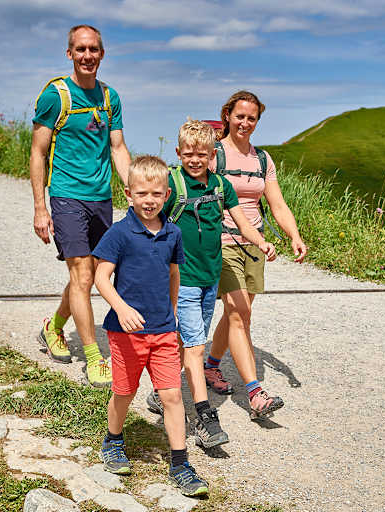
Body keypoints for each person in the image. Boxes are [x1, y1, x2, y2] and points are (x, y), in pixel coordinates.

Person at [146, 119, 276, 448]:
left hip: (209, 277)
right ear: (178, 153)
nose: (195, 160)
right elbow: (147, 215)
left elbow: (242, 221)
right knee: (196, 347)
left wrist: (259, 242)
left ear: (212, 155)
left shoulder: (221, 186)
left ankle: (162, 392)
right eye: (188, 154)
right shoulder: (173, 184)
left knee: (189, 341)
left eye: (202, 154)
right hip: (183, 279)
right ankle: (205, 417)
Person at [92, 155, 209, 496]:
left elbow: (174, 274)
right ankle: (112, 439)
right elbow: (101, 278)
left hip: (162, 331)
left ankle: (180, 463)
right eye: (142, 193)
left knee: (172, 395)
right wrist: (121, 308)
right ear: (128, 193)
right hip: (126, 332)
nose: (149, 200)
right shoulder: (119, 233)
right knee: (124, 392)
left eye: (157, 194)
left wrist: (171, 312)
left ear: (167, 194)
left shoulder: (173, 233)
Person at [30, 24, 131, 387]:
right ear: (70, 53)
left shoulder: (110, 97)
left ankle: (53, 327)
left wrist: (133, 186)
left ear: (102, 54)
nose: (87, 55)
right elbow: (38, 152)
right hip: (66, 196)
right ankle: (93, 358)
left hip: (101, 198)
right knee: (83, 275)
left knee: (87, 274)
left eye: (94, 49)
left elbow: (117, 148)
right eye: (80, 49)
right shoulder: (55, 96)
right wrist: (41, 208)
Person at [206, 91, 308, 420]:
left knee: (239, 312)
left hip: (255, 244)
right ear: (227, 115)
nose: (245, 123)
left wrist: (294, 235)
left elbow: (277, 204)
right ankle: (255, 393)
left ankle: (210, 367)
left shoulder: (262, 160)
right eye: (240, 116)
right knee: (240, 314)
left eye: (252, 118)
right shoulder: (214, 154)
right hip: (221, 242)